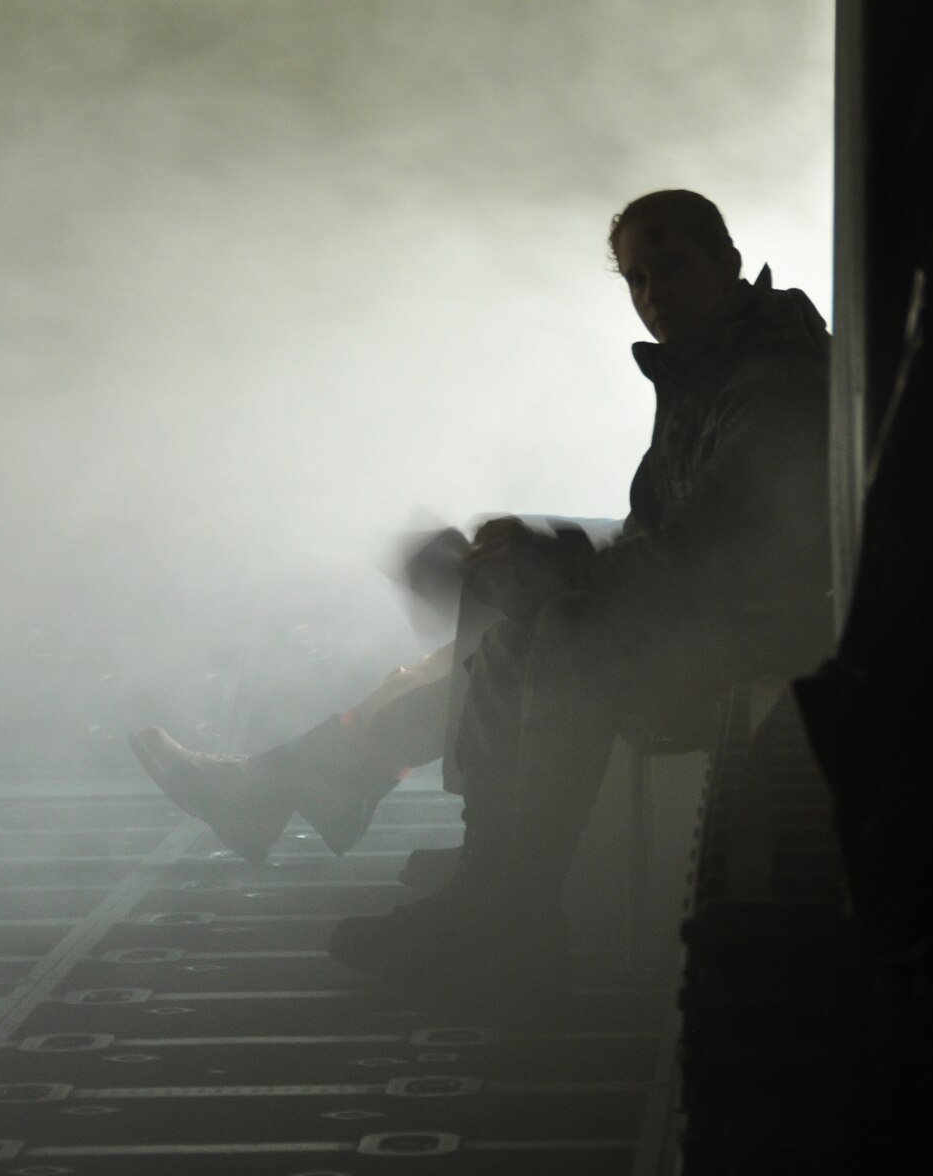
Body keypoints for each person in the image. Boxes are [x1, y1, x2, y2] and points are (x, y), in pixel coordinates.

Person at [132, 189, 832, 991]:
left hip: (765, 638)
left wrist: (566, 566)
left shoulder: (770, 384)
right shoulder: (715, 367)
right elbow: (670, 536)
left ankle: (494, 897)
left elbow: (720, 557)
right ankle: (486, 887)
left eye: (671, 268)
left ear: (730, 262)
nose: (653, 296)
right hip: (716, 615)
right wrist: (533, 553)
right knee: (508, 609)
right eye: (636, 280)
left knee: (556, 627)